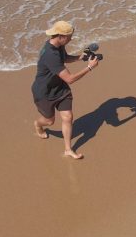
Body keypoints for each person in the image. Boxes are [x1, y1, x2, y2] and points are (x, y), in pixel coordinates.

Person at [32, 21, 100, 159]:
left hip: (60, 88)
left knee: (68, 117)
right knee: (49, 121)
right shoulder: (50, 54)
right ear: (61, 36)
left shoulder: (58, 45)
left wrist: (80, 57)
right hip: (44, 92)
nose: (71, 39)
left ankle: (68, 149)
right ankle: (38, 124)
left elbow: (65, 58)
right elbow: (70, 79)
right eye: (69, 37)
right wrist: (90, 67)